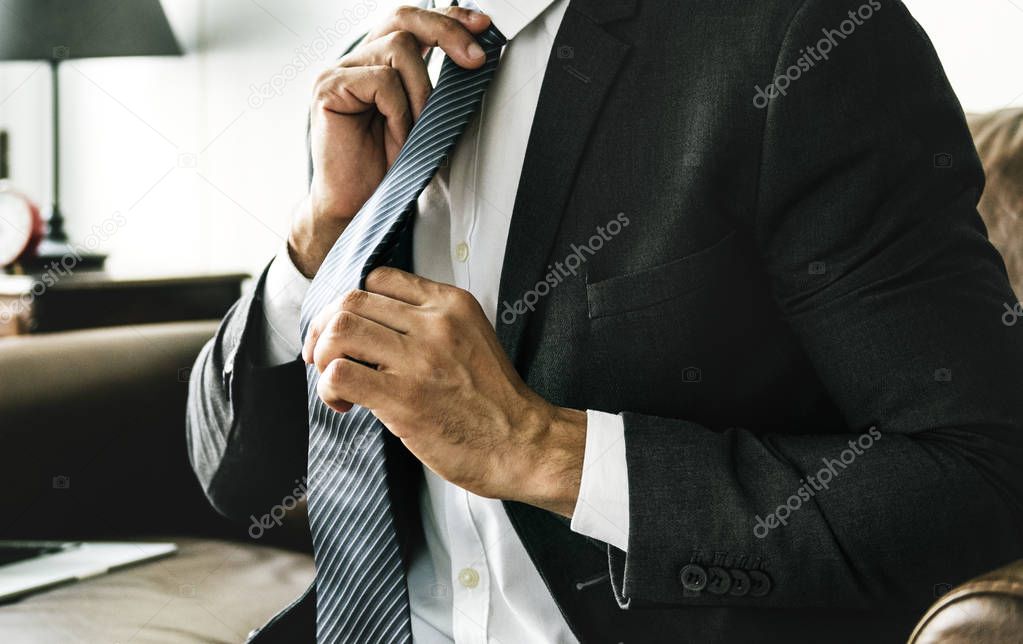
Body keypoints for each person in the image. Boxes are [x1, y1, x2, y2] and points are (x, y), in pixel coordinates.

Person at [186, 1, 1023, 641]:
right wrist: (319, 238)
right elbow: (234, 479)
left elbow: (985, 480)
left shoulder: (798, 39)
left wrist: (541, 447)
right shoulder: (374, 80)